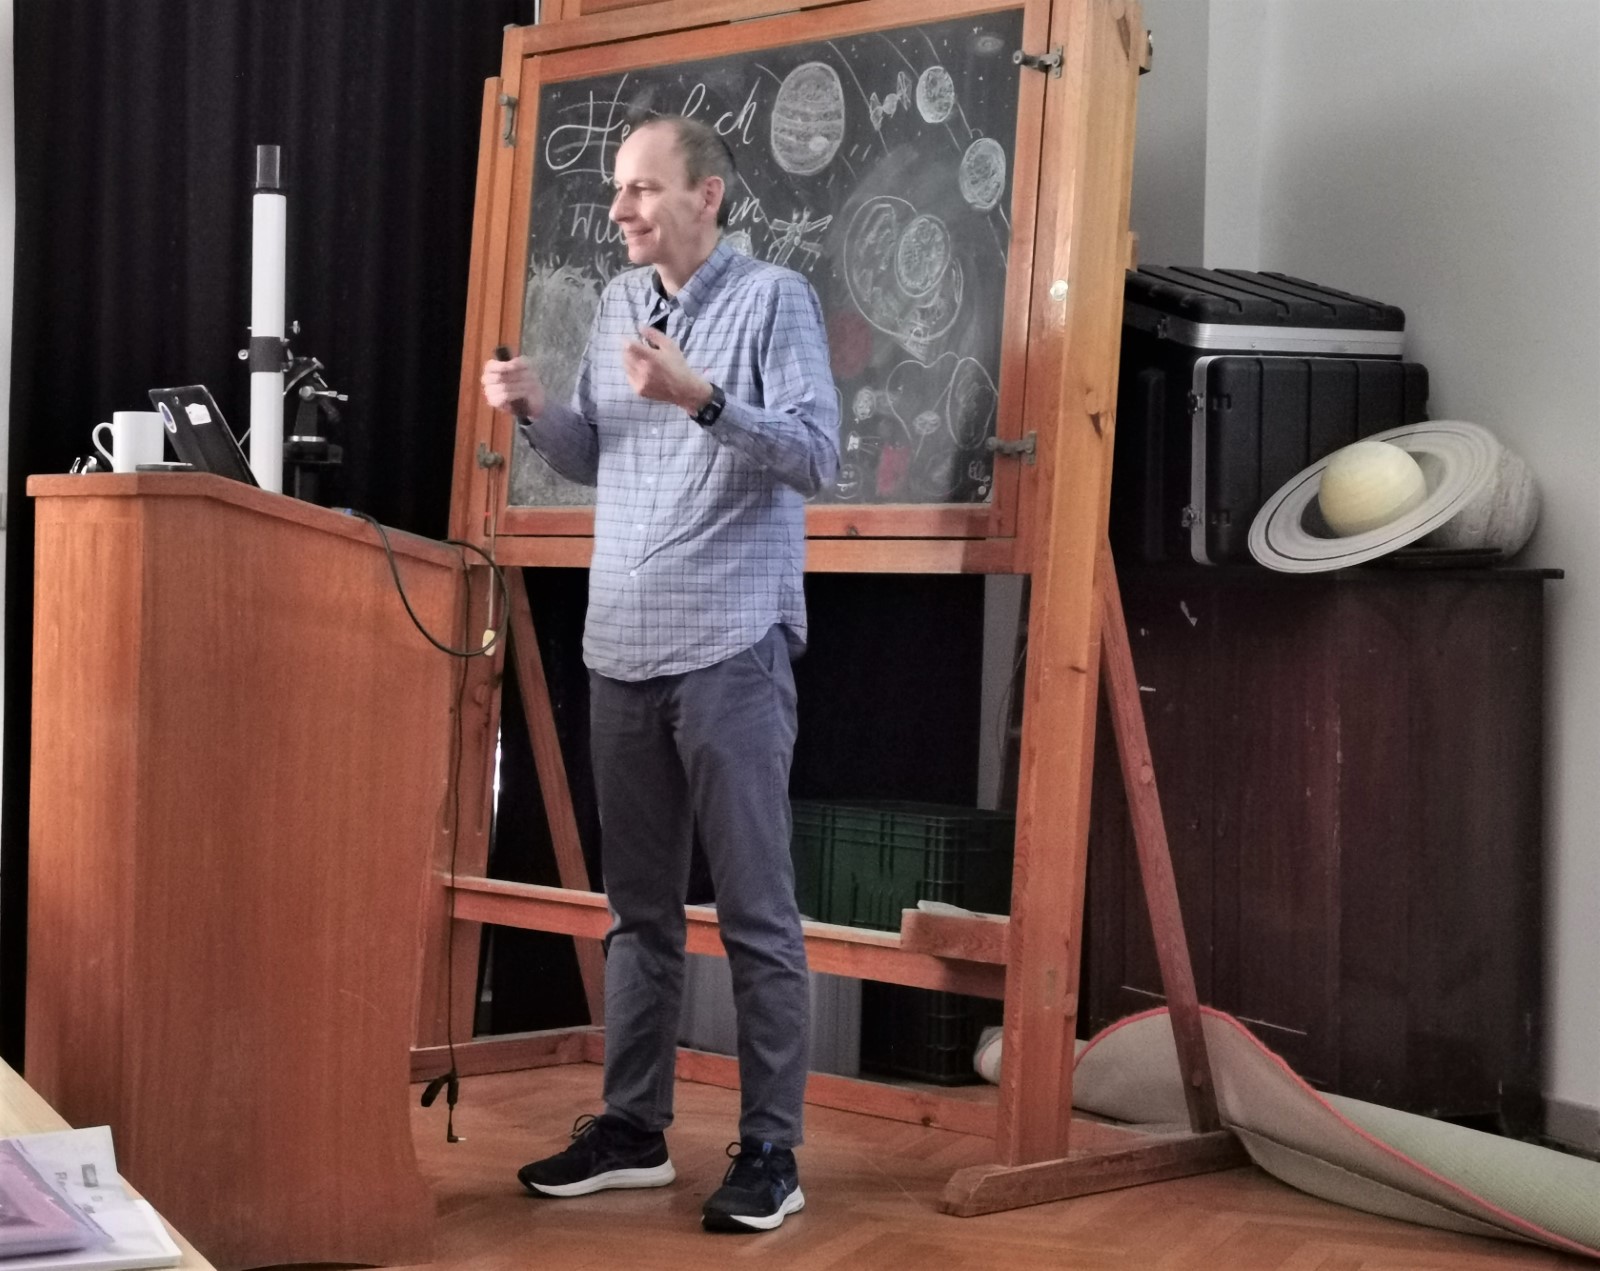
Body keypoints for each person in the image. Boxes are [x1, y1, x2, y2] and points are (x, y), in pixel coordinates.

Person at [481, 114, 839, 1233]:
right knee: (638, 914)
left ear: (707, 195)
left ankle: (771, 1150)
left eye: (641, 188)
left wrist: (703, 397)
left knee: (755, 911)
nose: (620, 209)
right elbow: (601, 453)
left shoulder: (774, 300)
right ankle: (633, 1130)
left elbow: (818, 454)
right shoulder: (615, 305)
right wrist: (538, 410)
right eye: (618, 190)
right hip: (622, 647)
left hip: (730, 646)